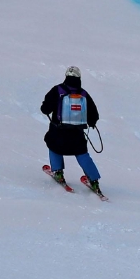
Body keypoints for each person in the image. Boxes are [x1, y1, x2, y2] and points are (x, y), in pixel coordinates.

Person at [40, 66, 102, 196]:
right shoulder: (83, 94)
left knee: (53, 145)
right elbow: (94, 115)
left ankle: (58, 173)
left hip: (58, 131)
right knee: (82, 154)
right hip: (77, 133)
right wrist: (91, 123)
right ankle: (94, 180)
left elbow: (45, 109)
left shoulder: (57, 90)